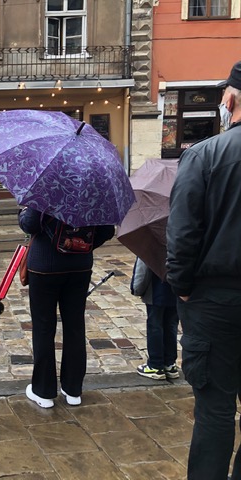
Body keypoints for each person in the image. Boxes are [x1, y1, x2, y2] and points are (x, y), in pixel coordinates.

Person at [166, 60, 241, 480]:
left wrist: (183, 287)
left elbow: (182, 234)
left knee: (214, 411)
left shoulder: (204, 155)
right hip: (216, 295)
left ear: (229, 100)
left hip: (214, 301)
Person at [18, 207, 114, 408]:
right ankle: (73, 390)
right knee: (75, 326)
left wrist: (23, 212)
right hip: (79, 267)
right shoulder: (93, 193)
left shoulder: (47, 186)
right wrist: (81, 247)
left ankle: (43, 392)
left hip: (44, 267)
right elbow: (107, 231)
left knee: (44, 327)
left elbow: (30, 224)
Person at [130, 258, 180, 380]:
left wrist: (136, 288)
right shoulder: (180, 239)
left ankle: (155, 365)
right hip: (176, 288)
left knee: (155, 326)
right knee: (171, 325)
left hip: (156, 290)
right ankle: (169, 363)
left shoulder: (151, 240)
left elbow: (143, 268)